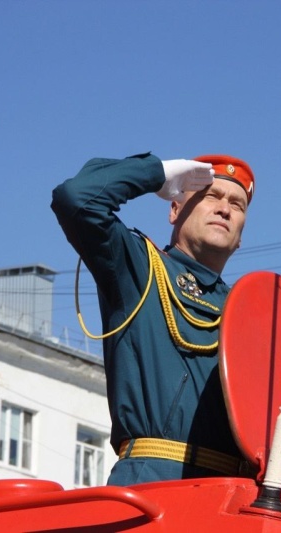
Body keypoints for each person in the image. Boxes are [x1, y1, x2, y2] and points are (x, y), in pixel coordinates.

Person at [51, 151, 254, 485]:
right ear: (175, 209)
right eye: (210, 196)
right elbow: (77, 198)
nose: (224, 208)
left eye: (237, 204)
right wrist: (156, 173)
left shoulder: (246, 310)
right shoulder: (139, 266)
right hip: (156, 482)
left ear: (241, 234)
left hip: (232, 494)